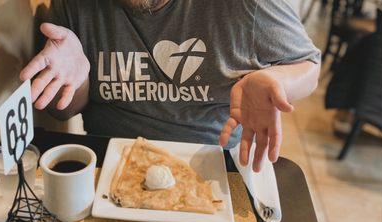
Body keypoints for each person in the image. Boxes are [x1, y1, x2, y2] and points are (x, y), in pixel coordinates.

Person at [20, 0, 320, 172]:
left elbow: (308, 64)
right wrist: (77, 79)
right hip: (108, 160)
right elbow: (65, 111)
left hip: (215, 162)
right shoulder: (75, 5)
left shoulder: (248, 5)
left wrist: (277, 80)